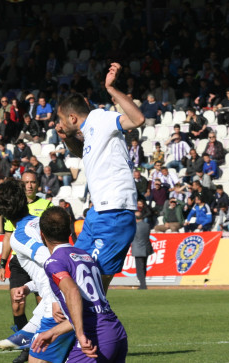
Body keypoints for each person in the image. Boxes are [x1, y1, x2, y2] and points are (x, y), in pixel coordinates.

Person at [55, 62, 144, 293]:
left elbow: (137, 120)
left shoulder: (101, 118)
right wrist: (66, 138)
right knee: (74, 278)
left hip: (114, 213)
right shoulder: (90, 131)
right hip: (97, 213)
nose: (60, 124)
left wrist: (111, 89)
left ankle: (98, 329)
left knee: (91, 290)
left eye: (62, 120)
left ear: (73, 118)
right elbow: (81, 152)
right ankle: (72, 329)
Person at [32, 206, 129, 362]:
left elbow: (72, 292)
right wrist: (54, 332)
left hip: (95, 336)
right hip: (116, 331)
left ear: (41, 235)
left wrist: (80, 334)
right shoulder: (85, 255)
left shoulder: (54, 262)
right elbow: (90, 309)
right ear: (70, 231)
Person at [0, 181, 74, 363]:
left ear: (0, 212)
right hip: (65, 298)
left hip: (57, 306)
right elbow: (55, 264)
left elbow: (53, 262)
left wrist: (54, 300)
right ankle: (26, 333)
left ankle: (26, 335)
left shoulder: (19, 236)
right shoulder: (41, 222)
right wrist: (29, 286)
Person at [0, 171, 52, 363]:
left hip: (56, 289)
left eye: (32, 182)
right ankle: (27, 342)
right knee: (22, 303)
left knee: (48, 308)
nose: (29, 185)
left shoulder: (22, 235)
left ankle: (31, 342)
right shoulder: (26, 227)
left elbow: (51, 261)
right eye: (25, 183)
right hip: (28, 267)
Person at [131, 211, 153, 290]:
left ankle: (143, 285)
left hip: (138, 249)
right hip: (146, 248)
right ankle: (143, 284)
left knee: (139, 268)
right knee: (144, 267)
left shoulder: (134, 226)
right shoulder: (147, 225)